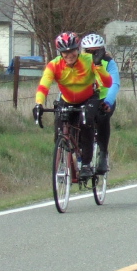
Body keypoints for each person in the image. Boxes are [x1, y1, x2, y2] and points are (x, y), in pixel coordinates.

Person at [33, 32, 112, 179]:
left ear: (78, 49)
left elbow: (108, 83)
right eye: (65, 52)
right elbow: (44, 86)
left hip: (89, 98)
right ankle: (63, 161)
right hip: (67, 99)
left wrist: (99, 65)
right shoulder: (54, 65)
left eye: (72, 50)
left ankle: (86, 165)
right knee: (59, 129)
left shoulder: (89, 60)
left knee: (86, 122)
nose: (69, 54)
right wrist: (39, 104)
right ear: (60, 53)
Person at [81, 33, 120, 174]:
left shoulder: (108, 62)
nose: (92, 54)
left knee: (103, 118)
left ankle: (103, 154)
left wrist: (108, 102)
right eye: (88, 51)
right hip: (86, 98)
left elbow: (114, 83)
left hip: (104, 97)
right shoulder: (78, 61)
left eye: (96, 51)